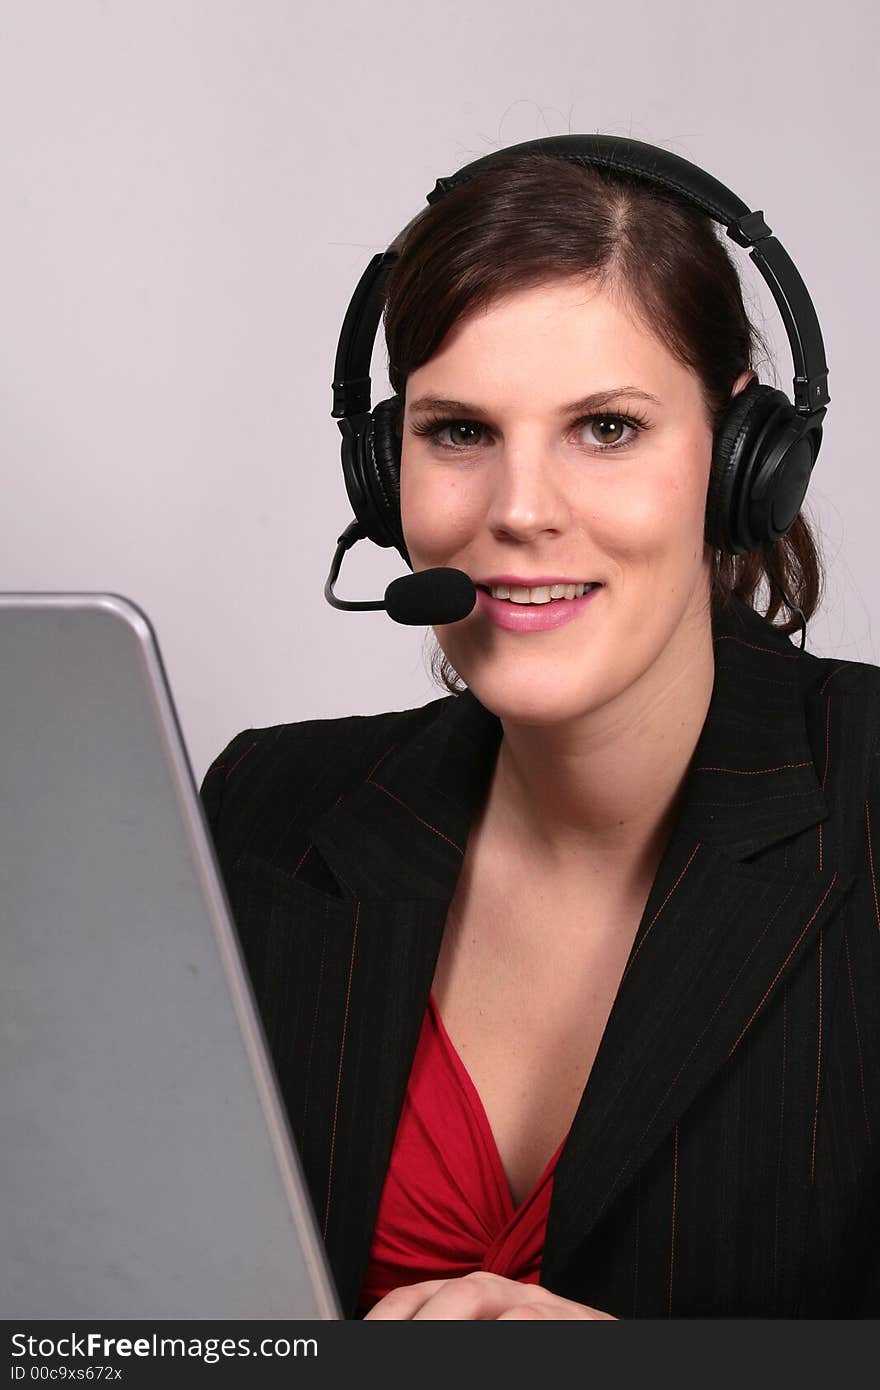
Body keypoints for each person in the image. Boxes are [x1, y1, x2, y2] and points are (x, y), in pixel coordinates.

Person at [199, 149, 880, 1319]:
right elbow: (114, 1318)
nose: (519, 510)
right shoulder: (265, 807)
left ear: (738, 465)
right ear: (381, 471)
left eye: (606, 428)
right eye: (459, 431)